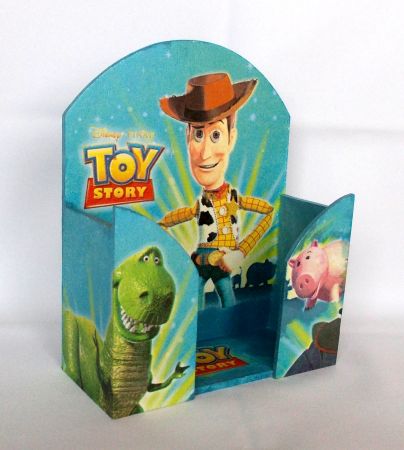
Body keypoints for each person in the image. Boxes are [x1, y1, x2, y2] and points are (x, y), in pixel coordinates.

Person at [159, 73, 273, 309]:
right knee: (196, 304)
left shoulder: (235, 198)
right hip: (200, 261)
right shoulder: (198, 204)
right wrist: (172, 245)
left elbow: (268, 213)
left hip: (223, 262)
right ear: (187, 137)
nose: (205, 153)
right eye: (198, 134)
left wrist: (240, 252)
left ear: (231, 138)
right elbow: (171, 220)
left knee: (228, 302)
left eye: (216, 135)